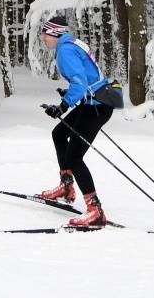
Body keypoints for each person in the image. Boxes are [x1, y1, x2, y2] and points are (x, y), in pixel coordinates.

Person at [34, 17, 118, 229]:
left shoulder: (65, 50)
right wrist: (71, 94)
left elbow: (79, 82)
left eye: (45, 33)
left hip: (97, 106)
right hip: (97, 100)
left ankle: (95, 211)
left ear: (55, 33)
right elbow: (87, 77)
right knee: (59, 134)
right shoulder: (71, 44)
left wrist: (63, 106)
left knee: (74, 157)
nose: (43, 38)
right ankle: (66, 186)